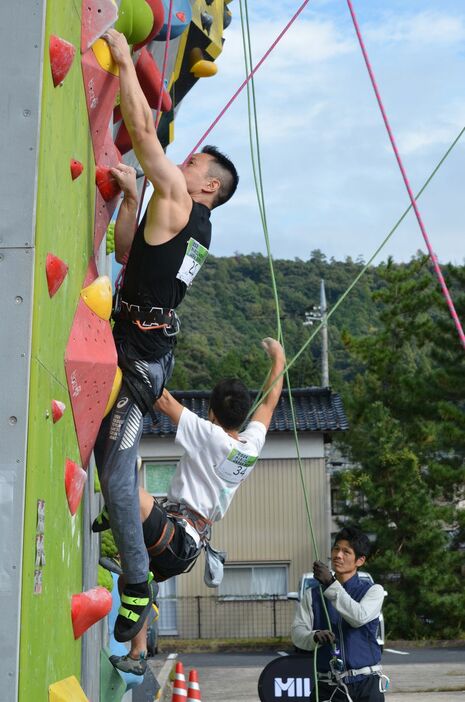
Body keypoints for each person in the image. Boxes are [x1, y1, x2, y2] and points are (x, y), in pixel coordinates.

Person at [94, 28, 239, 645]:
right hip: (143, 344)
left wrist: (125, 59)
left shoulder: (180, 196)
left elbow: (145, 135)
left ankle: (135, 582)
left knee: (117, 470)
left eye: (192, 165)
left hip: (139, 361)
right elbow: (131, 254)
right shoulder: (189, 222)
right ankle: (133, 574)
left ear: (206, 185)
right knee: (113, 466)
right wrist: (130, 200)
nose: (179, 167)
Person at [103, 337, 286, 674]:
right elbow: (272, 400)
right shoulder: (250, 446)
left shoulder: (210, 434)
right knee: (130, 578)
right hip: (187, 545)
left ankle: (112, 518)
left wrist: (133, 360)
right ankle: (138, 654)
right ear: (242, 415)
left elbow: (165, 401)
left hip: (178, 535)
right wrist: (279, 358)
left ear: (211, 412)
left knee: (129, 490)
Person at [291, 526, 387, 702]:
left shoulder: (374, 591)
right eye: (336, 549)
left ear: (360, 560)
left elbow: (358, 617)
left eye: (346, 552)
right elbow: (297, 635)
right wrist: (314, 636)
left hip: (366, 684)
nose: (338, 555)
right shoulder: (312, 595)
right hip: (327, 687)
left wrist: (330, 583)